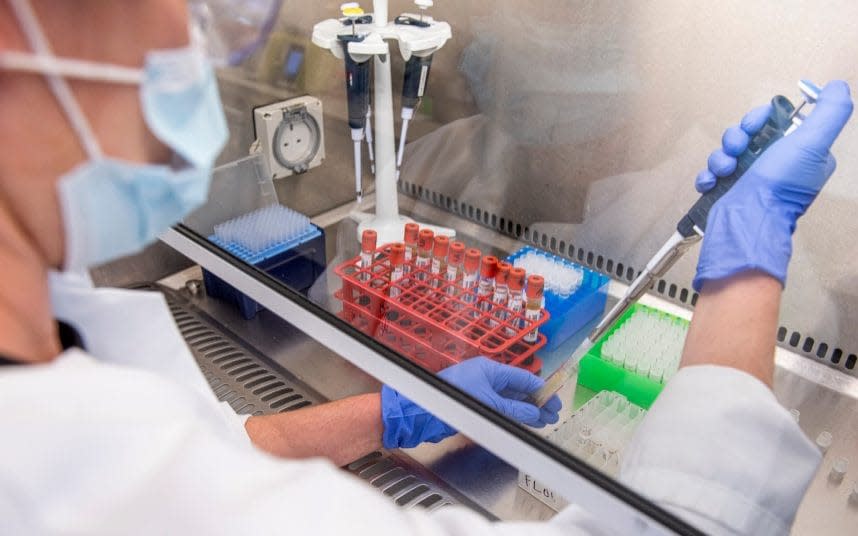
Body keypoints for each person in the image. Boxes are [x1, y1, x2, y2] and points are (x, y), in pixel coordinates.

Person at [0, 1, 852, 534]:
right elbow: (689, 521)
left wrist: (391, 414)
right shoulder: (59, 467)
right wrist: (747, 259)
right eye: (184, 11)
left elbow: (220, 446)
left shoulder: (57, 358)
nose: (201, 42)